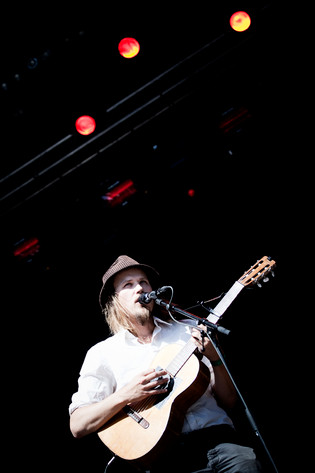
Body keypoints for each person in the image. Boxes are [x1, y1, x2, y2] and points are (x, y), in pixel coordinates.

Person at [69, 255, 263, 473]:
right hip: (166, 457)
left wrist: (215, 358)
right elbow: (78, 425)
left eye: (144, 282)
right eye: (128, 285)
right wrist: (125, 395)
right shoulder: (102, 353)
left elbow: (229, 401)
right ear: (114, 300)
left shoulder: (188, 330)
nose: (140, 288)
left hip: (221, 440)